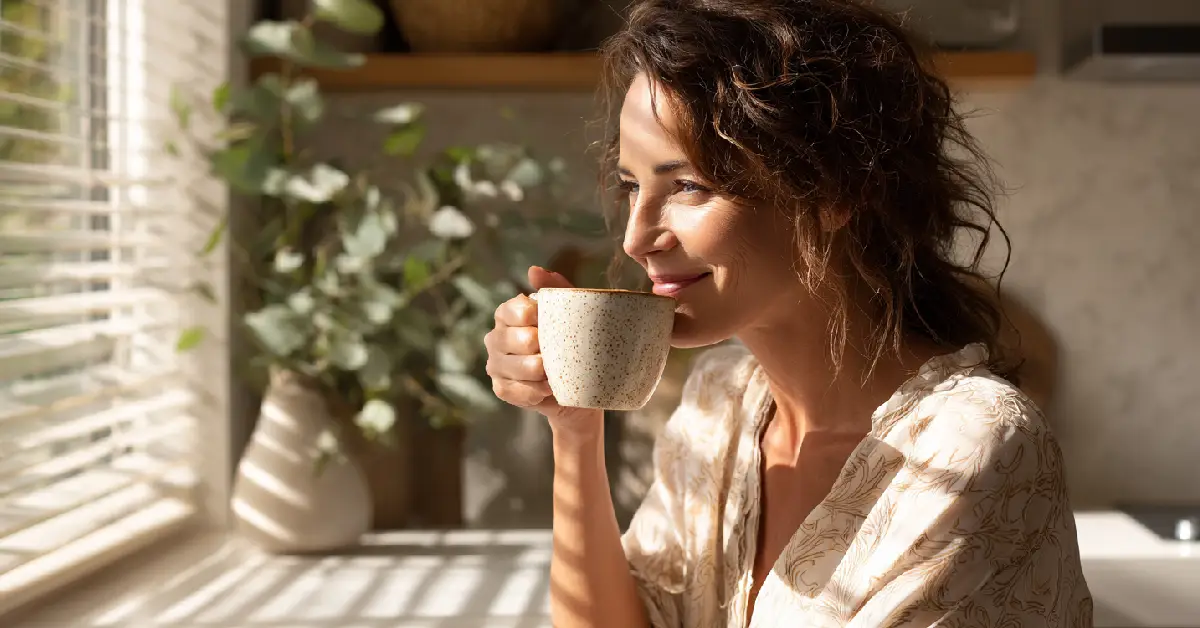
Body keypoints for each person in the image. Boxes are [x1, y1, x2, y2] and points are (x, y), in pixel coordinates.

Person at [484, 0, 1092, 626]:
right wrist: (574, 428)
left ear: (836, 192)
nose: (636, 239)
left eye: (688, 186)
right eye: (633, 185)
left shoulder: (967, 446)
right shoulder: (718, 406)